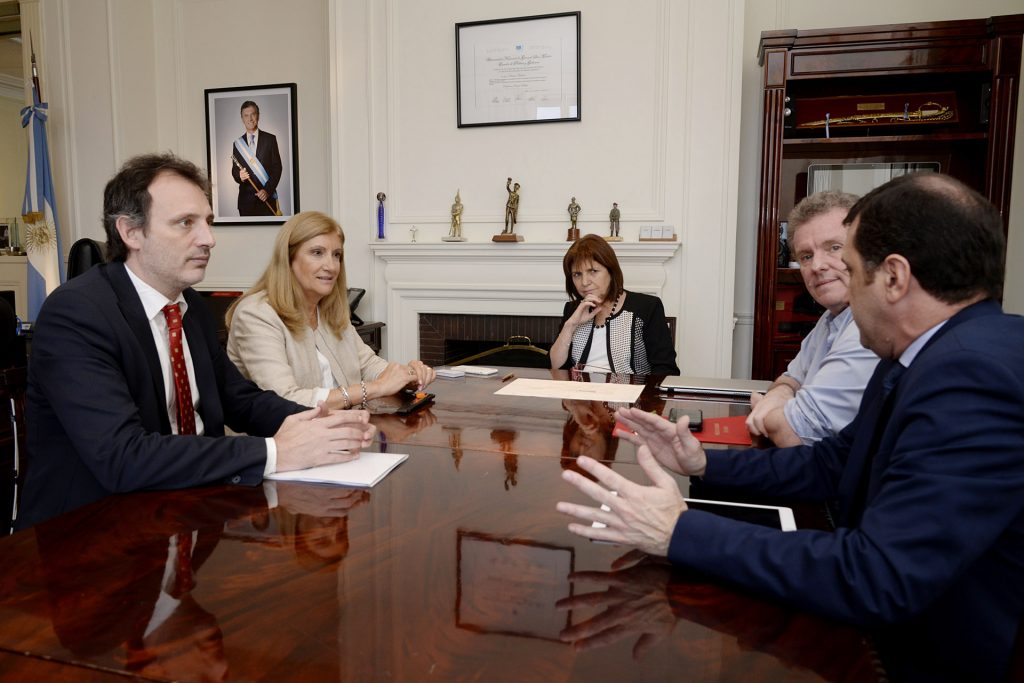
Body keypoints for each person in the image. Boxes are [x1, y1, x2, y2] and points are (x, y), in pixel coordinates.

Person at [557, 172, 1024, 683]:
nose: (833, 281)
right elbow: (833, 461)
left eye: (848, 266)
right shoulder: (929, 354)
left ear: (893, 278)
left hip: (919, 656)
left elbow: (876, 577)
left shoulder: (970, 377)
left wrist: (678, 530)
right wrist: (703, 461)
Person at [19, 153, 375, 530]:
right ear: (131, 232)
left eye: (207, 222)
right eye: (185, 223)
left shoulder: (189, 306)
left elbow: (239, 399)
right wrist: (276, 451)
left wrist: (319, 423)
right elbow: (122, 457)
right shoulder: (77, 314)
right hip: (91, 537)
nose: (209, 239)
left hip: (190, 516)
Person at [226, 210, 435, 410]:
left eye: (337, 255)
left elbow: (367, 365)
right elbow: (284, 399)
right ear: (288, 258)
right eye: (317, 253)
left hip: (341, 432)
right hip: (283, 441)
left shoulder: (329, 310)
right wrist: (376, 388)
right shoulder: (256, 314)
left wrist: (406, 376)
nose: (332, 266)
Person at [746, 192, 878, 446]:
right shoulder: (831, 317)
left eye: (834, 248)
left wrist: (771, 409)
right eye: (806, 256)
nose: (817, 266)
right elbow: (790, 378)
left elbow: (794, 432)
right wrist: (781, 395)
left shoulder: (870, 324)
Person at [550, 234, 678, 375]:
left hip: (630, 394)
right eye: (577, 274)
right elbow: (556, 367)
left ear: (611, 271)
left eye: (593, 271)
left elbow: (666, 369)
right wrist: (570, 325)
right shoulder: (573, 309)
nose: (584, 282)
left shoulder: (646, 307)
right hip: (580, 393)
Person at [230, 100, 283, 217]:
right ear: (242, 118)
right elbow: (234, 170)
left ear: (258, 115)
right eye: (246, 115)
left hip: (266, 200)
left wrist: (267, 190)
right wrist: (239, 175)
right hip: (246, 203)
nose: (250, 119)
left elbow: (277, 168)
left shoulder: (270, 139)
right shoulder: (237, 144)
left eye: (253, 114)